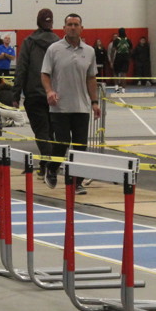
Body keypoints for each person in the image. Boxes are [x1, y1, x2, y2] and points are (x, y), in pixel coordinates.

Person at [40, 12, 100, 193]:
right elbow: (45, 74)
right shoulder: (54, 49)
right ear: (64, 28)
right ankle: (52, 168)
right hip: (60, 107)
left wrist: (94, 102)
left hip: (81, 107)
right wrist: (49, 91)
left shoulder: (89, 51)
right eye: (70, 24)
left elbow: (91, 78)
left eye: (76, 24)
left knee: (80, 146)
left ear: (82, 28)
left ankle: (76, 182)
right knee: (62, 142)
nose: (73, 28)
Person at [13, 8, 59, 179]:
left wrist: (15, 94)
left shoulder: (29, 42)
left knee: (41, 131)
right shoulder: (59, 43)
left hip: (34, 93)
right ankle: (48, 164)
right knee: (51, 132)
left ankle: (48, 165)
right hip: (54, 94)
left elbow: (21, 69)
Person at [112, 28, 132, 93]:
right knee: (124, 74)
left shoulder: (116, 40)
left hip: (118, 58)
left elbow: (113, 50)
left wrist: (112, 60)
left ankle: (116, 88)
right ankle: (123, 90)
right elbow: (131, 50)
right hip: (126, 58)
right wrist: (128, 57)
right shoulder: (128, 40)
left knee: (116, 73)